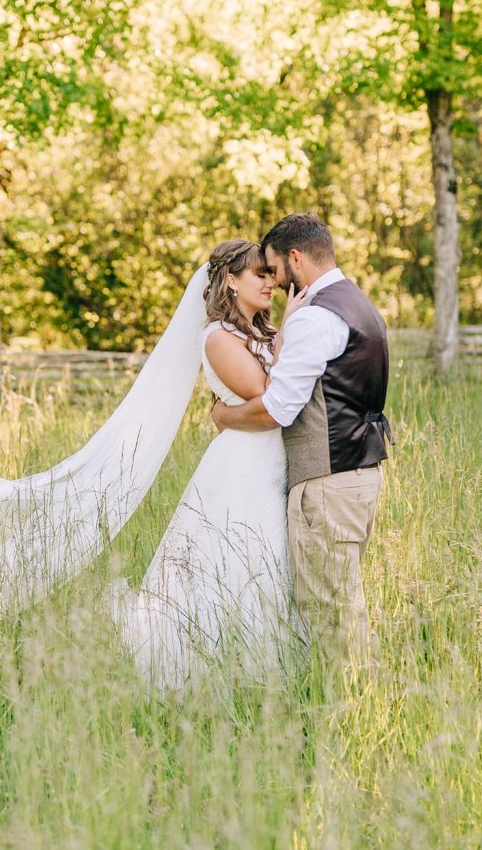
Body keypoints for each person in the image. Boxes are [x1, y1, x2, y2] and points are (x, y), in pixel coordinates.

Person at [110, 239, 308, 690]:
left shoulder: (266, 333)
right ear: (231, 281)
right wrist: (289, 333)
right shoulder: (218, 338)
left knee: (274, 560)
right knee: (240, 556)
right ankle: (221, 668)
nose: (271, 282)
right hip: (241, 465)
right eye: (259, 274)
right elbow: (266, 391)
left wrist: (283, 333)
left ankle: (274, 667)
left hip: (273, 459)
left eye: (270, 274)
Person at [212, 213, 391, 667]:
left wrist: (224, 415)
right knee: (343, 604)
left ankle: (346, 716)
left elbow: (278, 409)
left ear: (295, 258)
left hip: (327, 481)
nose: (272, 280)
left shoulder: (316, 318)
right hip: (359, 472)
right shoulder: (359, 304)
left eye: (273, 269)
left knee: (329, 613)